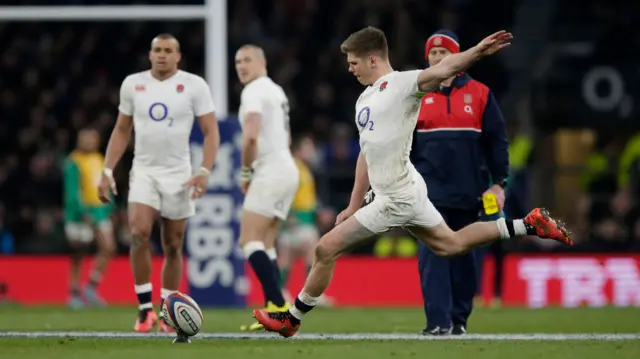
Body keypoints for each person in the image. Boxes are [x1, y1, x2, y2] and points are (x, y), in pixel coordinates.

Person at [253, 26, 572, 338]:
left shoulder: (405, 84)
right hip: (409, 189)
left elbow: (446, 67)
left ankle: (291, 320)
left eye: (354, 62)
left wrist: (477, 52)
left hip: (395, 198)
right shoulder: (364, 99)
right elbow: (367, 153)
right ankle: (528, 225)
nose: (350, 69)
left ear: (373, 59)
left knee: (325, 249)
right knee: (452, 244)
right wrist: (353, 204)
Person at [97, 33, 220, 333]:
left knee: (173, 244)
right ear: (149, 54)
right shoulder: (133, 84)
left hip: (179, 173)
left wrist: (204, 170)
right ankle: (144, 310)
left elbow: (211, 132)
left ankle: (168, 313)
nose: (162, 55)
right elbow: (121, 130)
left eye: (168, 50)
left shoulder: (194, 85)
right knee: (138, 233)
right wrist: (107, 170)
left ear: (178, 56)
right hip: (145, 171)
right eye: (157, 50)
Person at [410, 30, 509, 335]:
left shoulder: (480, 94)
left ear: (458, 56)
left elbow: (497, 143)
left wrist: (499, 184)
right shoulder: (415, 96)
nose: (438, 58)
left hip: (471, 193)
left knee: (465, 263)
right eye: (433, 54)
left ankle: (459, 321)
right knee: (432, 259)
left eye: (444, 53)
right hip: (428, 195)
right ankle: (437, 323)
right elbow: (404, 146)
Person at [234, 45, 299, 331]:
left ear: (262, 62)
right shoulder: (276, 90)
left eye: (247, 60)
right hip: (287, 168)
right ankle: (274, 307)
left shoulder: (253, 91)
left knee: (248, 240)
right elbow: (287, 134)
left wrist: (247, 171)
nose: (241, 66)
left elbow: (250, 137)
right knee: (267, 242)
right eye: (237, 62)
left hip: (269, 170)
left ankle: (281, 309)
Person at [278, 135, 334, 307]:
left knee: (290, 257)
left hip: (305, 219)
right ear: (299, 150)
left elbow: (307, 197)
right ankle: (310, 295)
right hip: (296, 219)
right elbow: (284, 191)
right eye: (308, 147)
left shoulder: (304, 169)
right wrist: (288, 214)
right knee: (309, 254)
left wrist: (319, 211)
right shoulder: (293, 167)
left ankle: (284, 293)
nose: (312, 152)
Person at [63, 128, 116, 309]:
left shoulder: (99, 159)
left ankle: (91, 287)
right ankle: (74, 293)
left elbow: (105, 186)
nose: (87, 142)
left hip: (99, 211)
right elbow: (72, 191)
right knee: (78, 253)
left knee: (108, 247)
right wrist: (81, 210)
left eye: (91, 139)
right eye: (84, 139)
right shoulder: (73, 161)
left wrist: (111, 206)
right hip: (80, 214)